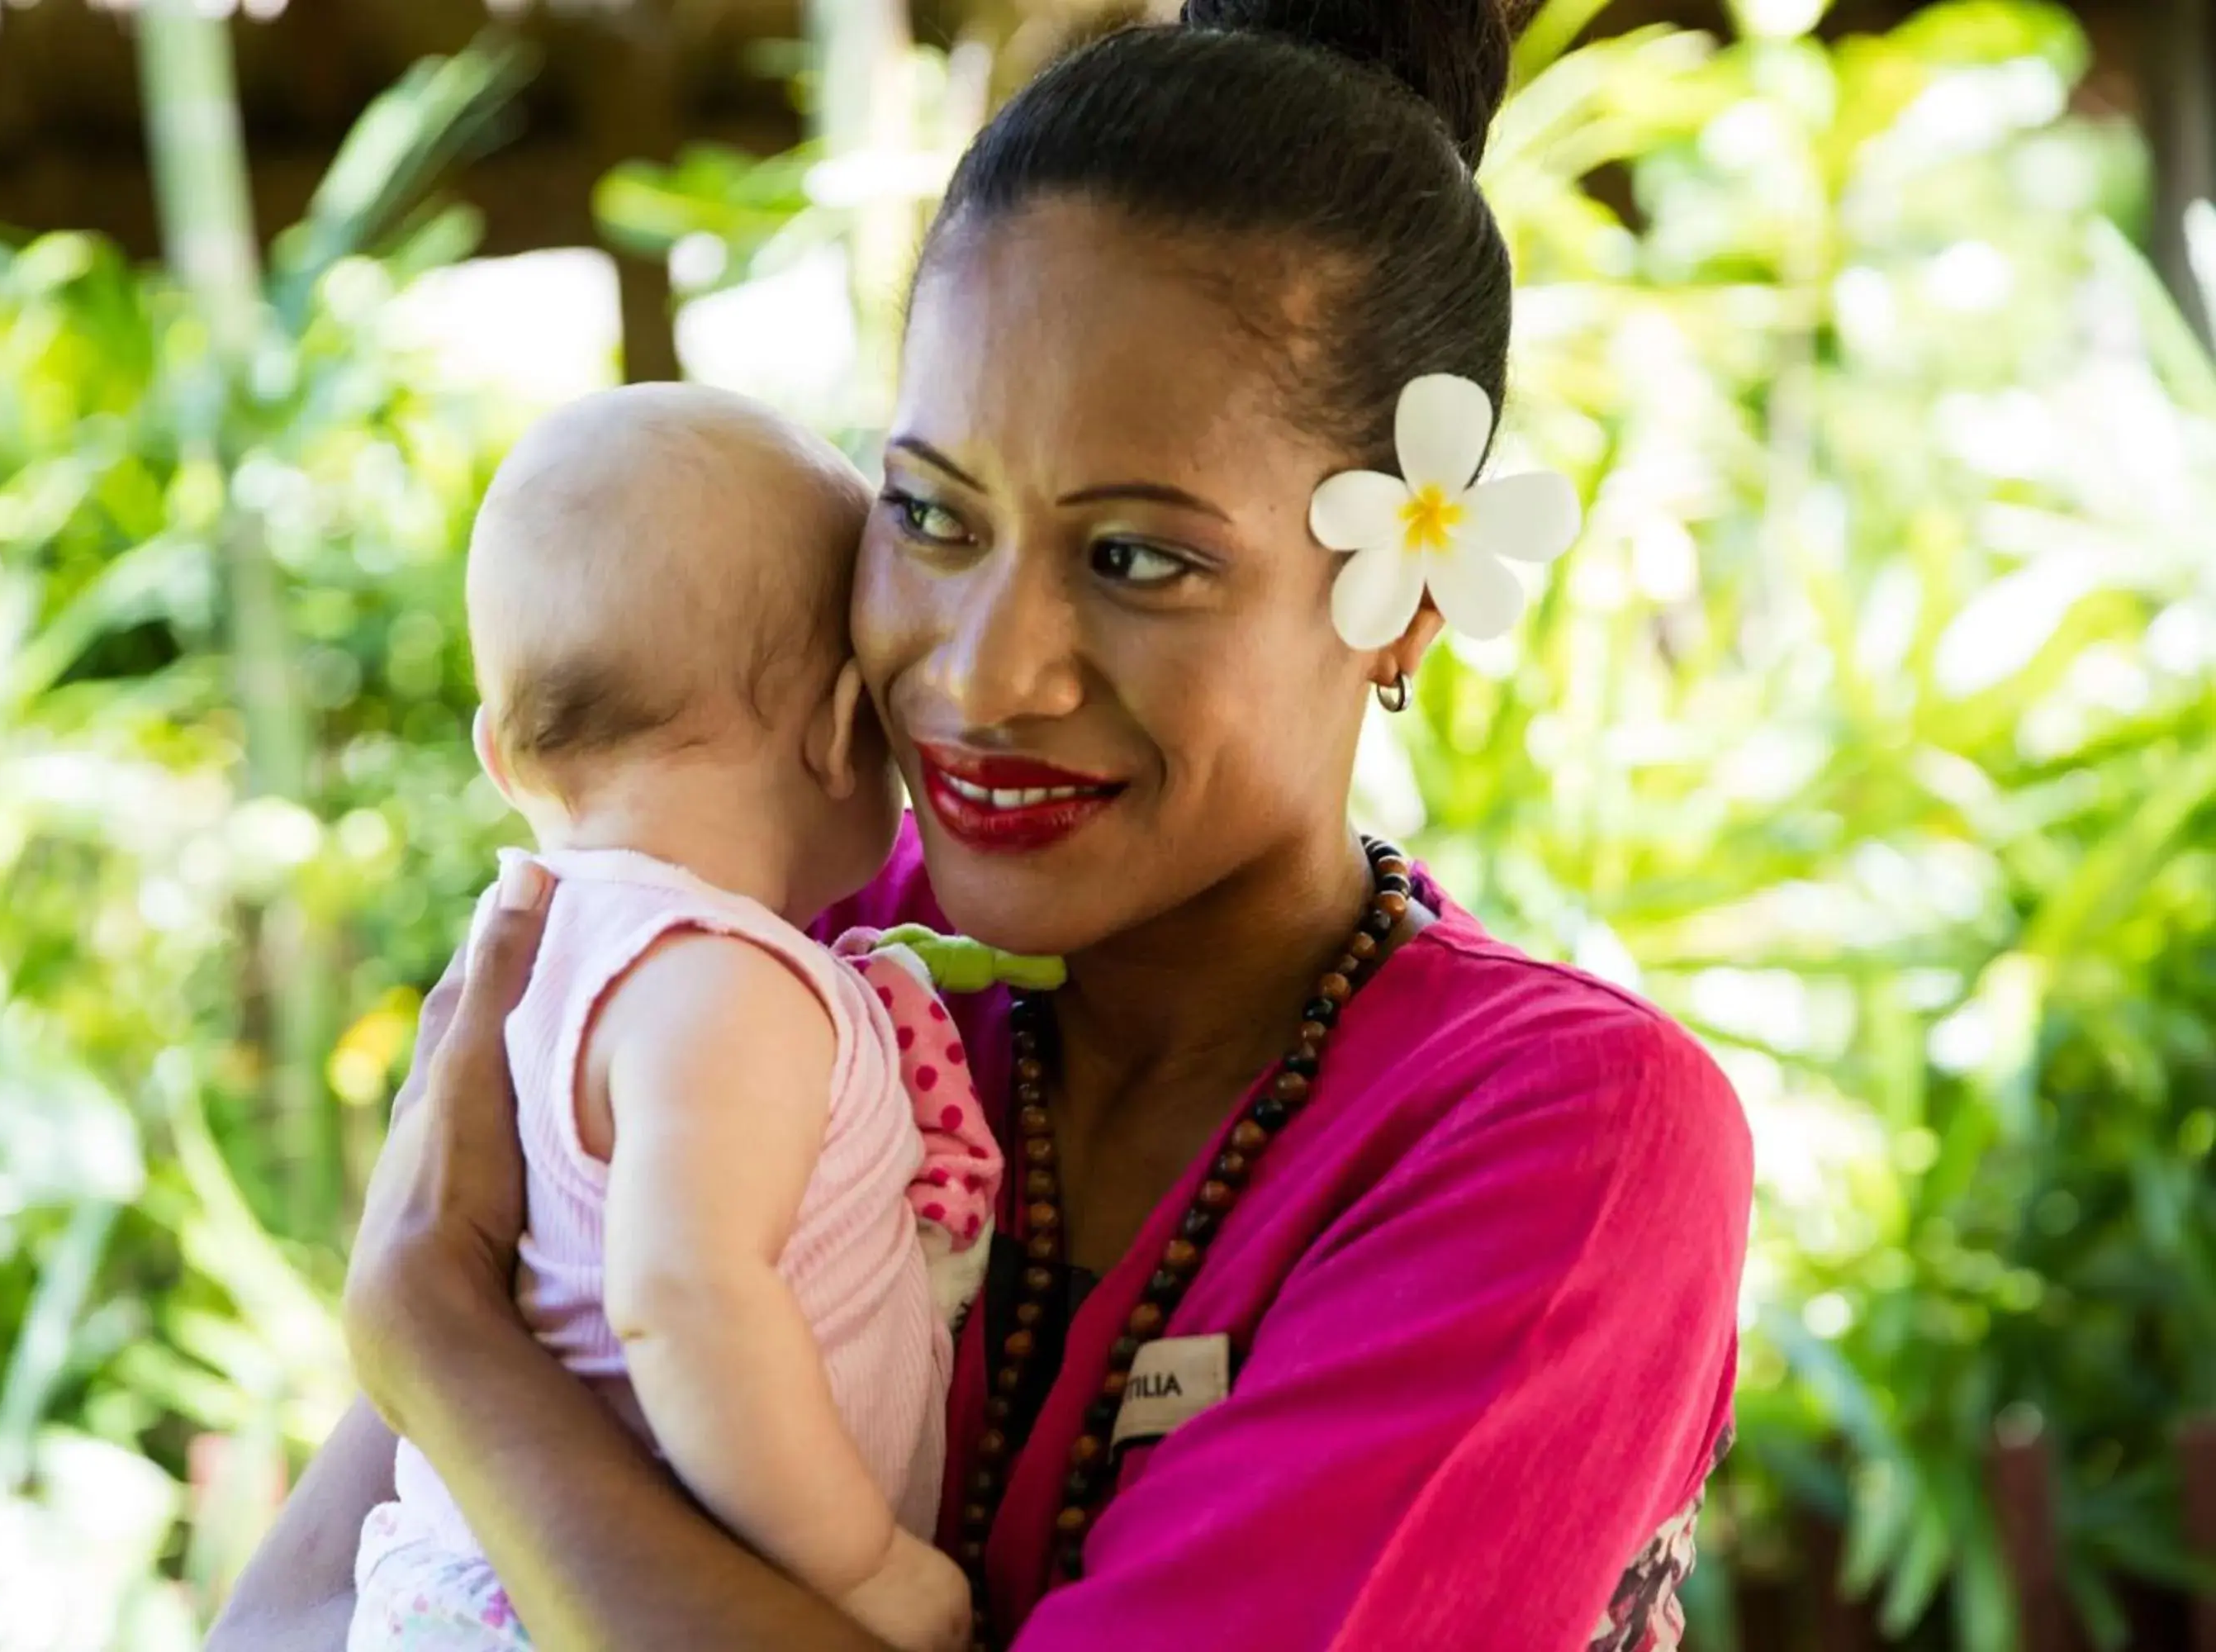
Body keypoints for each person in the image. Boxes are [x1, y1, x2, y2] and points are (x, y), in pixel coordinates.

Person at [212, 3, 1753, 1648]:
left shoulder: (1549, 1137)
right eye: (934, 515)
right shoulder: (780, 940)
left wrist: (439, 1340)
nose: (980, 668)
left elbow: (448, 1372)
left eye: (1137, 558)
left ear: (1399, 610)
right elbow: (305, 1611)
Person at [346, 386, 1013, 1651]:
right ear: (837, 731)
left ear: (501, 754)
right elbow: (681, 1296)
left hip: (475, 1571)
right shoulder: (723, 987)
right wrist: (862, 1566)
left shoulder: (543, 956)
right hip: (562, 1609)